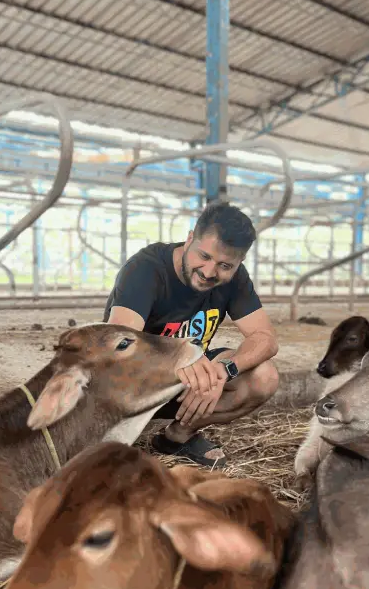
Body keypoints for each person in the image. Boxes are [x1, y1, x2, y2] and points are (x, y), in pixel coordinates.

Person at [103, 201, 279, 468]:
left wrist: (223, 371)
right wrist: (181, 358)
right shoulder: (146, 268)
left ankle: (176, 437)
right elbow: (119, 342)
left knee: (264, 376)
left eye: (225, 265)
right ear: (189, 239)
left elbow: (265, 338)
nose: (210, 272)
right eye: (204, 256)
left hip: (184, 385)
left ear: (239, 262)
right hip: (131, 384)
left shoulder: (236, 278)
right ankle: (115, 436)